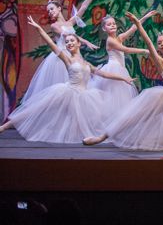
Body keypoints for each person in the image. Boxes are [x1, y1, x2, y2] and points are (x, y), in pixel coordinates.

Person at [82, 12, 163, 151]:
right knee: (134, 116)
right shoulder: (160, 61)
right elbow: (148, 42)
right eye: (160, 43)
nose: (162, 44)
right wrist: (138, 24)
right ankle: (102, 137)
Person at [0, 16, 133, 143]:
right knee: (37, 107)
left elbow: (103, 74)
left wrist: (122, 78)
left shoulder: (86, 64)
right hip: (67, 91)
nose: (69, 43)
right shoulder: (67, 59)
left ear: (79, 43)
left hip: (83, 95)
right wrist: (39, 28)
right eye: (67, 42)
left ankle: (103, 135)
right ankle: (5, 126)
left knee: (90, 116)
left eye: (72, 41)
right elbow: (51, 44)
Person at [20, 0, 105, 104]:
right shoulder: (54, 26)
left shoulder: (70, 22)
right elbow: (68, 36)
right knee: (62, 90)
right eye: (48, 11)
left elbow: (83, 7)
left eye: (52, 9)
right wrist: (85, 41)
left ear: (59, 8)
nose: (50, 12)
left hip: (73, 56)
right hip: (61, 58)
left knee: (77, 86)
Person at [89, 13, 153, 119]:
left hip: (121, 68)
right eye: (109, 24)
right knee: (114, 96)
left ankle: (120, 120)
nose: (112, 25)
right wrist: (143, 50)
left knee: (122, 97)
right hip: (114, 69)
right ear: (104, 28)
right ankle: (112, 119)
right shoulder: (110, 41)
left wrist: (145, 17)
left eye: (113, 23)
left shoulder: (119, 38)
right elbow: (126, 50)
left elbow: (133, 28)